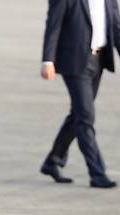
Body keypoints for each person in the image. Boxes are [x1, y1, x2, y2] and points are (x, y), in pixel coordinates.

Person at [39, 0, 120, 188]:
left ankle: (53, 161)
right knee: (85, 116)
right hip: (74, 62)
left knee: (78, 113)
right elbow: (54, 23)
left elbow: (115, 26)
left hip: (98, 60)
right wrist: (47, 60)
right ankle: (97, 173)